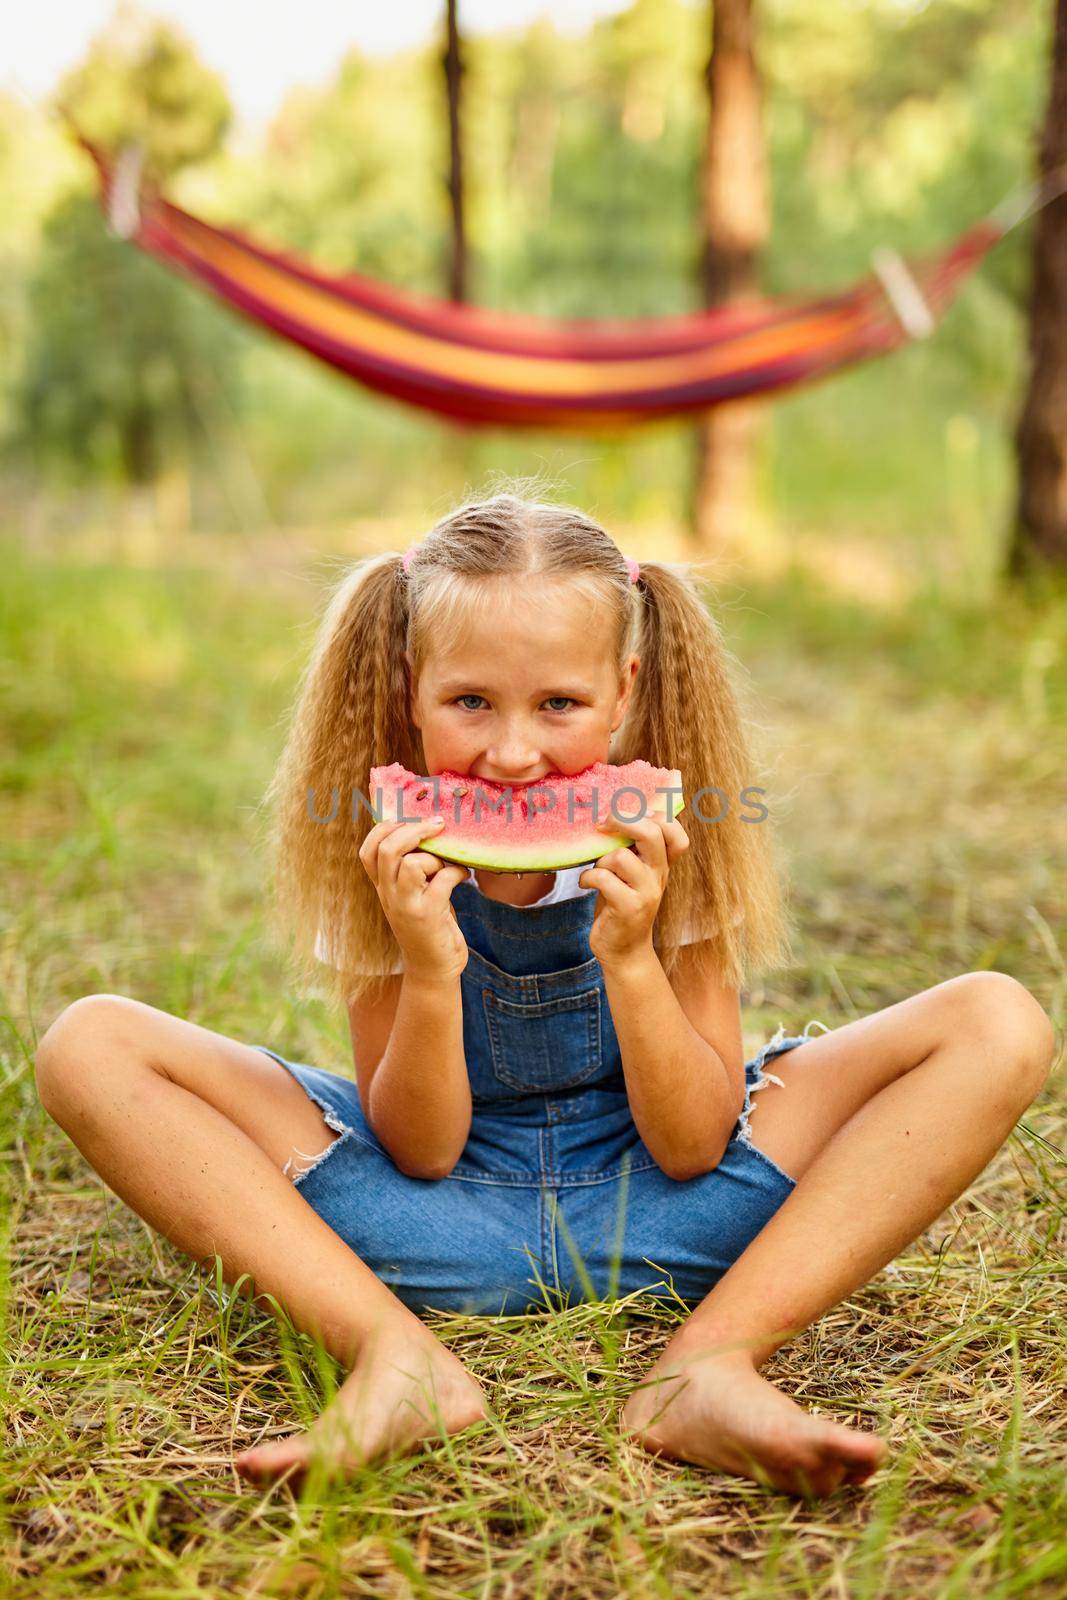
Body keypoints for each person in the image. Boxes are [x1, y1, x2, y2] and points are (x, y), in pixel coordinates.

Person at [33, 491, 1055, 1500]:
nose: (513, 754)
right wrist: (430, 971)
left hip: (669, 1205)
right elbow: (417, 1148)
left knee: (994, 1019)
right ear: (407, 683)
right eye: (469, 701)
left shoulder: (668, 836)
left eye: (557, 705)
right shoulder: (383, 844)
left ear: (623, 689)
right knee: (92, 1043)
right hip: (438, 1215)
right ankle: (396, 1356)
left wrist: (631, 957)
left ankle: (707, 1363)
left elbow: (695, 1141)